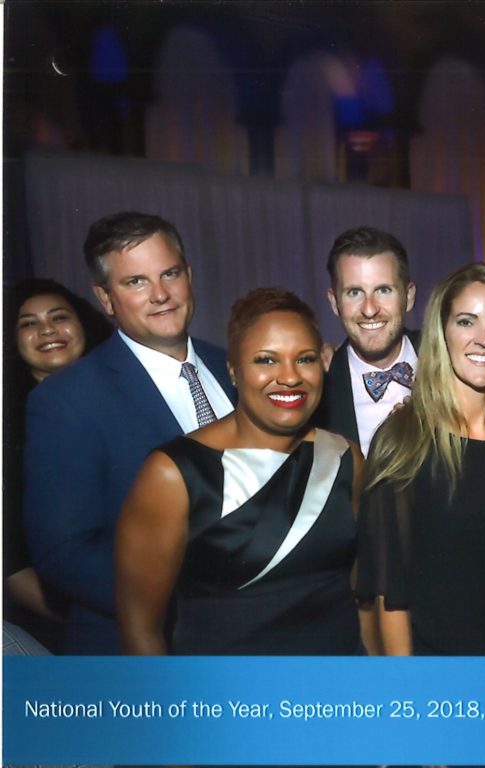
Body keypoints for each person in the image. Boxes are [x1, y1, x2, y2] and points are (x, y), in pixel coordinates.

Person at [22, 212, 235, 654]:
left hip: (266, 642)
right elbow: (64, 550)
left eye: (170, 274)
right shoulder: (67, 400)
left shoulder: (236, 368)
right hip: (148, 654)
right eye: (136, 282)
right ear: (105, 297)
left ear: (189, 276)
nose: (160, 295)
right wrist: (196, 604)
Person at [116, 288, 363, 655]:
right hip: (228, 698)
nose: (290, 377)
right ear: (233, 370)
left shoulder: (345, 458)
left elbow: (361, 594)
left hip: (339, 689)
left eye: (305, 359)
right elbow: (140, 630)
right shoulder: (175, 473)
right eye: (266, 360)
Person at [357, 263, 485, 655]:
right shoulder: (403, 441)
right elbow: (389, 597)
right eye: (467, 321)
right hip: (440, 683)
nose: (484, 339)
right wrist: (409, 700)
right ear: (442, 332)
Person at [4, 278, 112, 646]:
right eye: (28, 323)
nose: (47, 330)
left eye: (59, 317)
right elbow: (11, 564)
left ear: (84, 325)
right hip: (65, 627)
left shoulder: (125, 402)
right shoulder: (10, 434)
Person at [313, 226, 419, 455]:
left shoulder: (450, 359)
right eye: (354, 293)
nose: (369, 309)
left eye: (383, 290)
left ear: (408, 297)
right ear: (334, 302)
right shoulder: (318, 389)